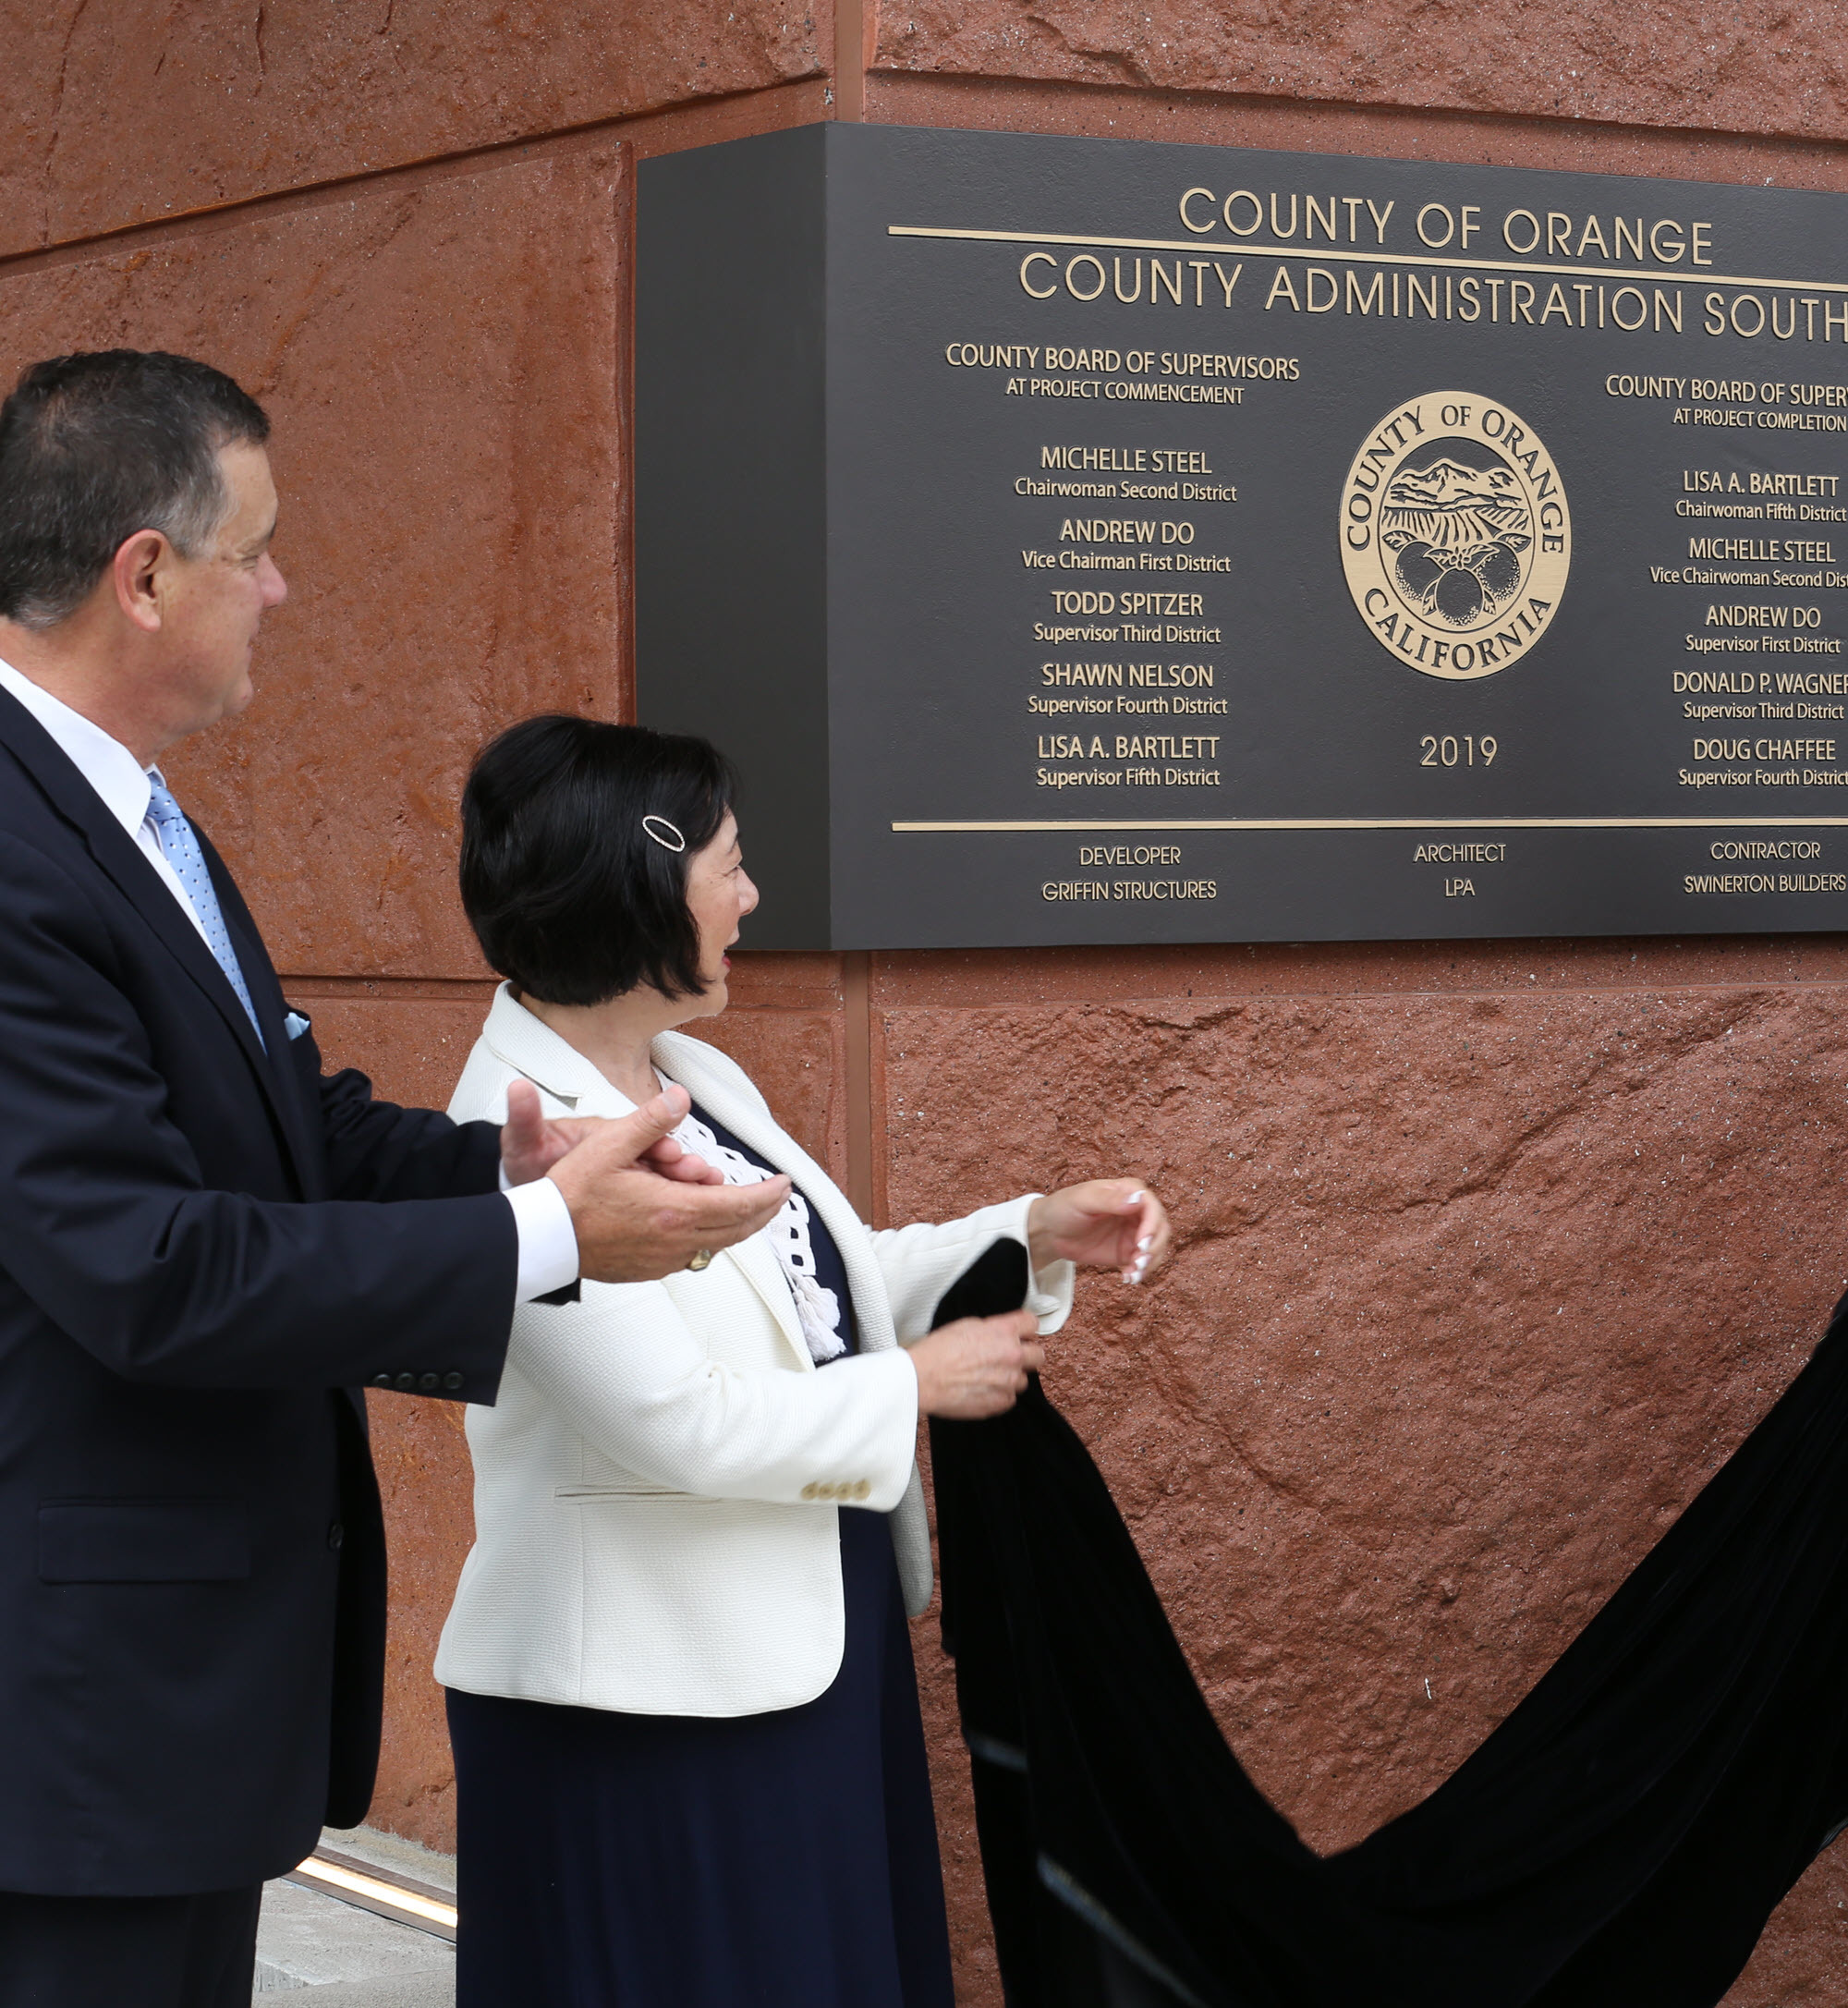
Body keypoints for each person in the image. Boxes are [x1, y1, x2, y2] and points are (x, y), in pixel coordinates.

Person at [0, 350, 793, 2008]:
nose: (280, 587)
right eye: (257, 549)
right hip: (84, 1719)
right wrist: (541, 1238)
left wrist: (502, 1163)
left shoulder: (126, 813)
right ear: (145, 575)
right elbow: (148, 1263)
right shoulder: (20, 848)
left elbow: (277, 1124)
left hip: (167, 1708)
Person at [433, 713, 1173, 2008]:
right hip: (643, 1711)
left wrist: (1024, 1226)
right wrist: (916, 1385)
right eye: (728, 862)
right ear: (637, 886)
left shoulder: (692, 1071)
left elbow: (817, 1288)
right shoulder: (515, 1136)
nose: (749, 894)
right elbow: (676, 1420)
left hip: (805, 1645)